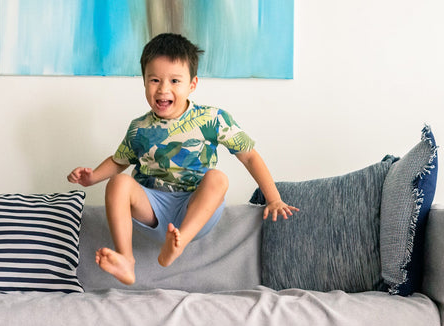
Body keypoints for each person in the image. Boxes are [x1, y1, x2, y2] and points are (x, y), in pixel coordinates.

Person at [67, 33, 297, 285]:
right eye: (154, 80)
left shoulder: (213, 118)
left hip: (195, 208)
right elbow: (119, 161)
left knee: (218, 178)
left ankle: (180, 242)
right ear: (144, 82)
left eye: (175, 80)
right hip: (153, 209)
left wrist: (274, 199)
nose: (163, 89)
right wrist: (92, 178)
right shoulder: (139, 128)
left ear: (192, 84)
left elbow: (250, 157)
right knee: (117, 183)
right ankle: (126, 260)